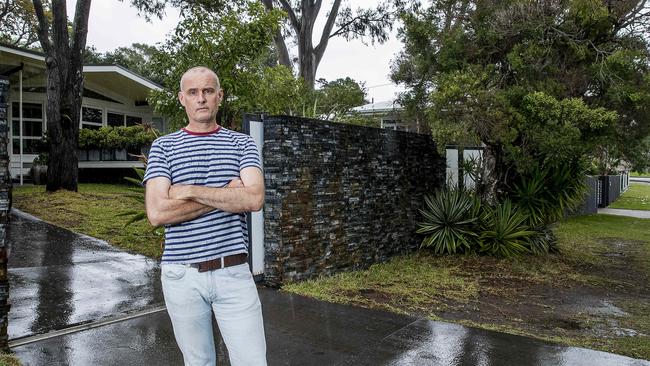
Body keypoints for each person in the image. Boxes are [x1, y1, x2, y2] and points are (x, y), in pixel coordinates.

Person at [143, 66, 267, 366]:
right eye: (193, 92)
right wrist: (226, 193)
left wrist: (185, 189)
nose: (201, 98)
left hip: (233, 273)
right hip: (181, 275)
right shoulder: (164, 147)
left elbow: (253, 198)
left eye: (208, 91)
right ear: (181, 98)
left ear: (219, 96)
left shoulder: (242, 143)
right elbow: (157, 212)